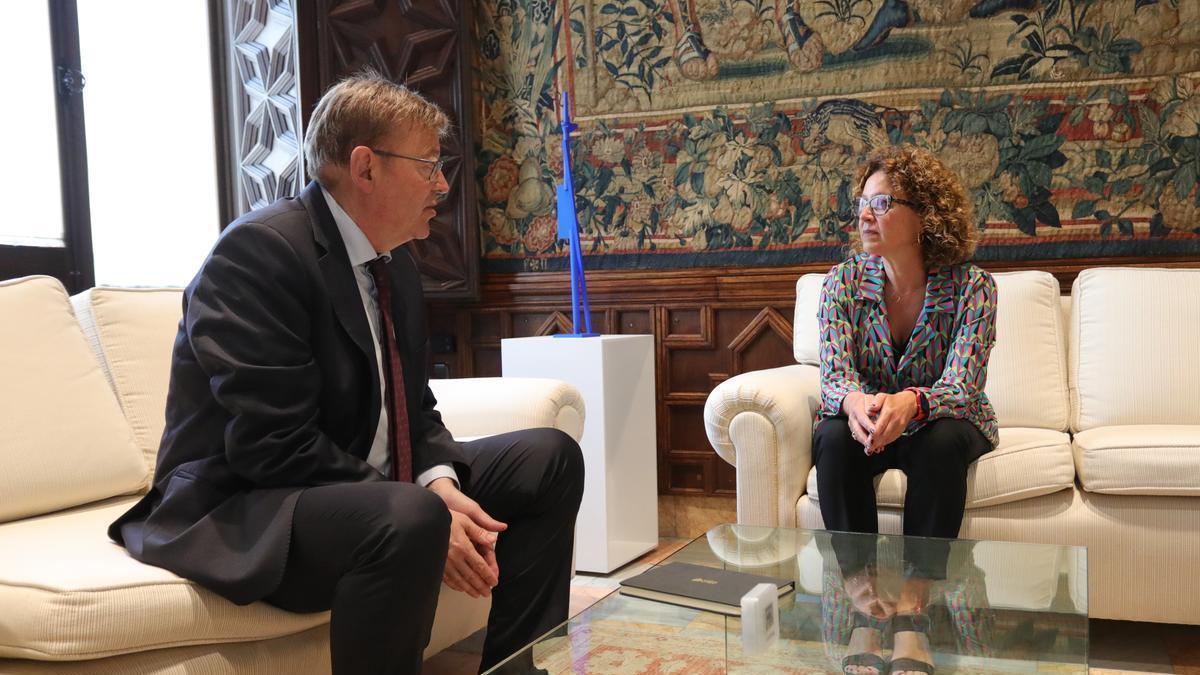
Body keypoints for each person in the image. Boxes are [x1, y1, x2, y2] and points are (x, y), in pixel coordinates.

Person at [108, 71, 584, 675]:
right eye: (429, 166)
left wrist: (439, 482)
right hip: (250, 505)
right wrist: (422, 502)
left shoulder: (396, 265)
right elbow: (271, 448)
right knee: (410, 516)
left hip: (362, 487)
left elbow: (418, 413)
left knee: (549, 456)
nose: (442, 185)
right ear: (366, 167)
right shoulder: (258, 254)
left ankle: (516, 670)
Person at [811, 144, 998, 675]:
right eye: (863, 204)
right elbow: (834, 373)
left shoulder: (972, 287)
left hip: (941, 420)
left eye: (884, 202)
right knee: (829, 437)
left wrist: (913, 402)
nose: (866, 215)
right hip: (869, 421)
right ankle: (862, 601)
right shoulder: (842, 283)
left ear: (926, 217)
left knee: (942, 442)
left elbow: (963, 384)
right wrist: (854, 403)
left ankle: (914, 606)